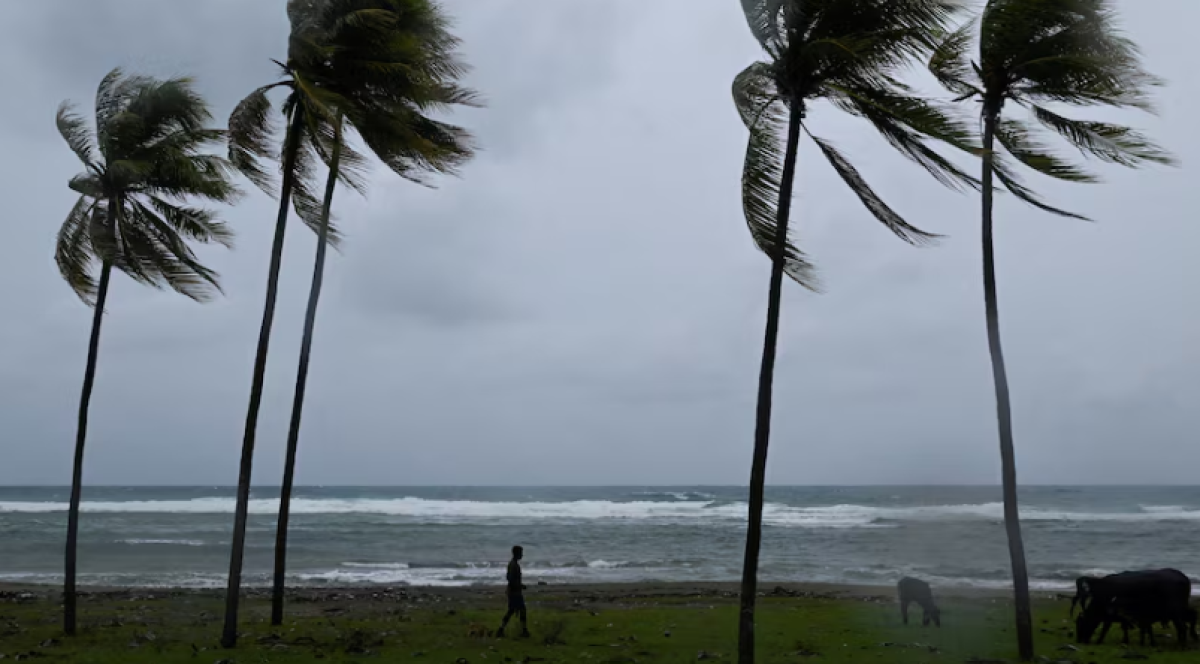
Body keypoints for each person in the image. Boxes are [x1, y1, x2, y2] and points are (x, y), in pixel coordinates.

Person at [497, 545, 529, 637]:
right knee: (519, 610)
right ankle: (523, 631)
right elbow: (510, 579)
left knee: (513, 611)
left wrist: (519, 586)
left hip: (515, 591)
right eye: (521, 553)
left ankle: (502, 629)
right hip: (514, 592)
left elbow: (510, 578)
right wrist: (520, 586)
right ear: (517, 553)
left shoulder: (513, 564)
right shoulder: (513, 565)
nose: (522, 555)